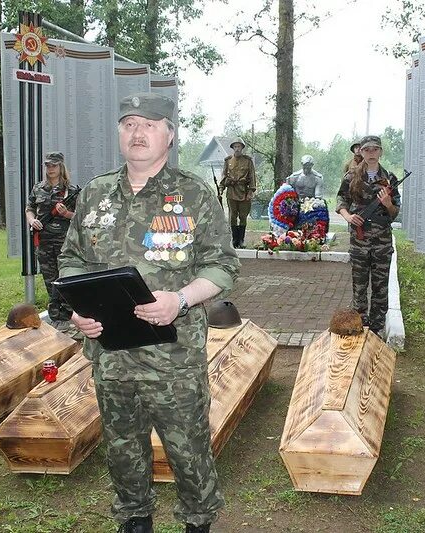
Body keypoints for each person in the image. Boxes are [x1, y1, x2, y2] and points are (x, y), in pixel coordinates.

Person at [58, 93, 240, 533]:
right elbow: (71, 259)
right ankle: (134, 519)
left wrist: (179, 300)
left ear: (170, 135)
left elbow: (223, 265)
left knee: (188, 448)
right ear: (120, 134)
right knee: (121, 447)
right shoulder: (96, 193)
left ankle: (198, 522)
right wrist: (79, 312)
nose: (138, 133)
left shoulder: (194, 194)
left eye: (150, 124)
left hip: (172, 357)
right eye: (129, 124)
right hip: (111, 353)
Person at [335, 135, 400, 338]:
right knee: (359, 286)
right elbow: (341, 200)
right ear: (360, 152)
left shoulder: (389, 179)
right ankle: (360, 327)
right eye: (367, 150)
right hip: (360, 241)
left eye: (375, 149)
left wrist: (388, 203)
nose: (371, 153)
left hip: (382, 241)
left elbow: (395, 212)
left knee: (380, 288)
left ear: (380, 152)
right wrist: (348, 216)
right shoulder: (351, 176)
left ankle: (376, 330)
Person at [25, 151, 80, 331]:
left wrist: (66, 214)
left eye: (54, 165)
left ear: (61, 166)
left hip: (65, 243)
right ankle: (56, 315)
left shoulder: (71, 191)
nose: (50, 169)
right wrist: (32, 220)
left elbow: (81, 217)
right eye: (48, 165)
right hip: (44, 241)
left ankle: (70, 315)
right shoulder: (38, 188)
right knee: (50, 279)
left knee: (66, 277)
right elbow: (29, 208)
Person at [219, 138, 256, 248]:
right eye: (235, 147)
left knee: (243, 216)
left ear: (242, 148)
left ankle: (241, 240)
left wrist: (251, 191)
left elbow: (252, 177)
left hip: (244, 192)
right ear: (233, 148)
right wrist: (221, 189)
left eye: (239, 147)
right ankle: (235, 240)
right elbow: (223, 176)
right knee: (232, 216)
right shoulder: (228, 161)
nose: (237, 149)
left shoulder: (248, 161)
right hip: (231, 192)